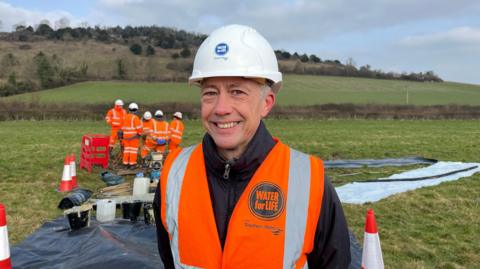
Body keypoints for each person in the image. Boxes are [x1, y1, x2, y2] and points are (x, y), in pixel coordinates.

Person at [153, 24, 351, 268]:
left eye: (237, 92)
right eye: (210, 93)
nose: (221, 108)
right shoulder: (174, 173)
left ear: (266, 103)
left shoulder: (309, 180)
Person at [121, 102, 142, 169]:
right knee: (133, 151)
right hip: (134, 137)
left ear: (129, 109)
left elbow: (122, 128)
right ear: (136, 110)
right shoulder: (135, 118)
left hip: (126, 137)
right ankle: (132, 165)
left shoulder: (125, 117)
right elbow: (139, 129)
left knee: (126, 150)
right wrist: (139, 134)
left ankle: (125, 164)